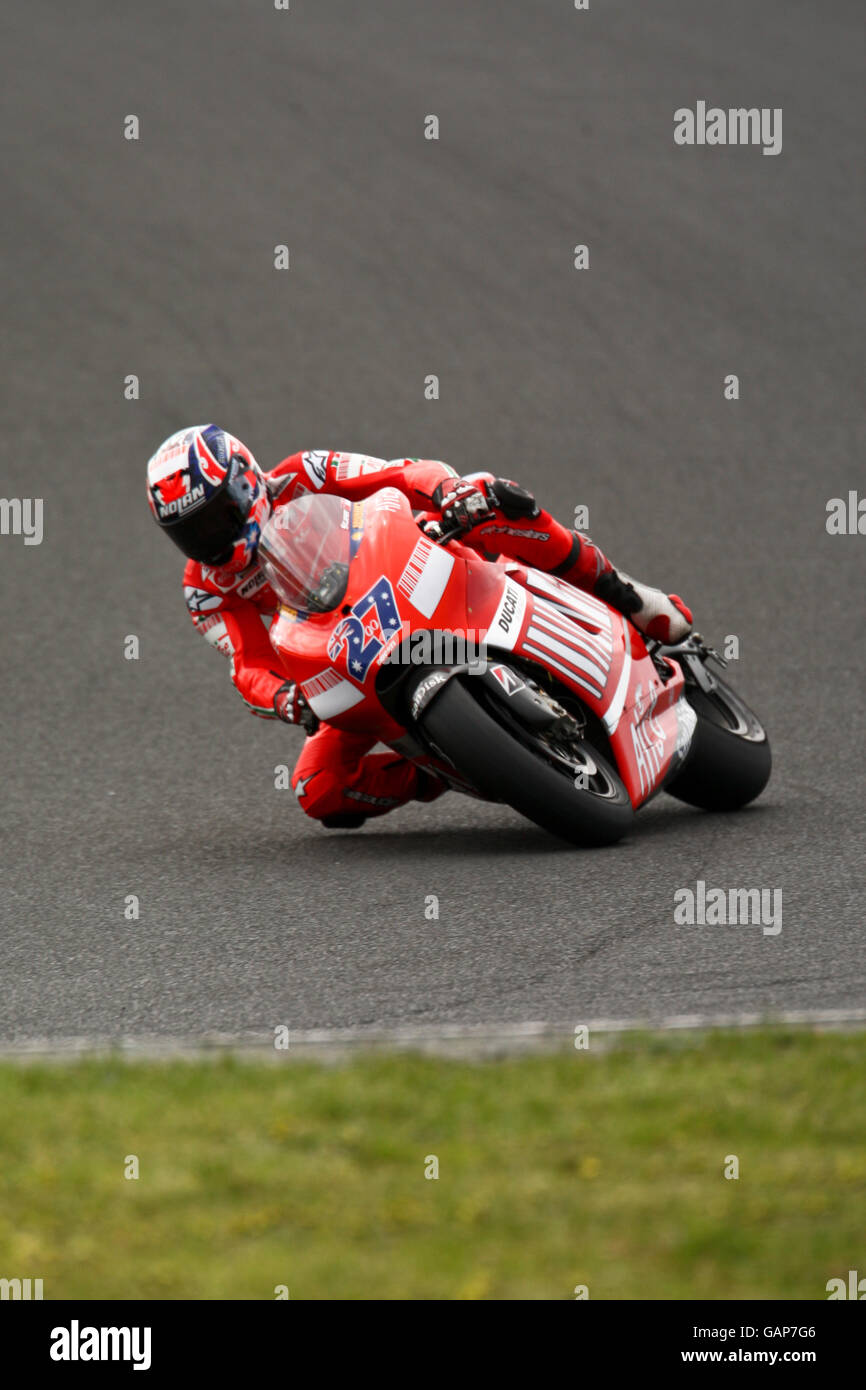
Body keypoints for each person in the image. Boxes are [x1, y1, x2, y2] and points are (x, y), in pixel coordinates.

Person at [147, 425, 692, 826]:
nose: (211, 543)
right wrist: (285, 699)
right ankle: (445, 765)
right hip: (348, 651)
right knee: (318, 791)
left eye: (217, 519)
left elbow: (401, 473)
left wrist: (445, 491)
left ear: (245, 485)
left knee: (496, 500)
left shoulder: (303, 473)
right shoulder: (205, 589)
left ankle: (621, 591)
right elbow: (248, 666)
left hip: (409, 569)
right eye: (191, 534)